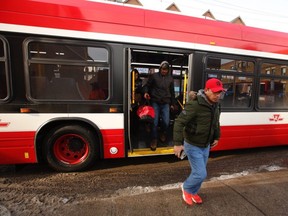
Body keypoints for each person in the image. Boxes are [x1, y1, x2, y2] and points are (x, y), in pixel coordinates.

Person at [173, 78, 224, 206]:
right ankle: (186, 188)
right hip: (192, 144)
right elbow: (179, 122)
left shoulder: (216, 105)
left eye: (220, 93)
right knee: (201, 174)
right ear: (206, 90)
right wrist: (178, 144)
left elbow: (215, 123)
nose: (218, 95)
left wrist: (217, 137)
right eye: (215, 92)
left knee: (199, 172)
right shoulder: (195, 105)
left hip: (205, 145)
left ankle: (193, 192)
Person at [143, 61, 176, 151]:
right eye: (163, 69)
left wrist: (173, 104)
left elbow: (172, 92)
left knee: (166, 121)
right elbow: (147, 85)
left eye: (166, 70)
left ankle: (162, 132)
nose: (164, 71)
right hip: (155, 101)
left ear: (168, 70)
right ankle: (154, 139)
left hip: (166, 102)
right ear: (160, 68)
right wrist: (145, 92)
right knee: (155, 122)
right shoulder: (154, 76)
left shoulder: (170, 79)